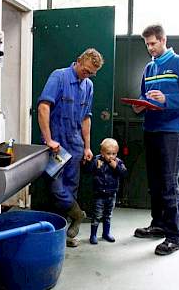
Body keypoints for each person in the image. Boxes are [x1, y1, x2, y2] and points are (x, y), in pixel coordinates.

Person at [37, 48, 104, 247]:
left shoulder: (88, 86)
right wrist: (48, 139)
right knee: (56, 188)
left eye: (92, 73)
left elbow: (86, 118)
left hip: (75, 145)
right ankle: (77, 215)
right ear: (78, 61)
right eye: (86, 71)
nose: (88, 75)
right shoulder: (59, 77)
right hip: (56, 145)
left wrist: (87, 147)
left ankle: (66, 236)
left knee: (71, 187)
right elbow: (43, 107)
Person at [132, 24, 179, 255]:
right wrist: (139, 105)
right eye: (147, 45)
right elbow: (145, 95)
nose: (150, 48)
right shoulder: (149, 68)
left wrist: (166, 98)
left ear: (163, 40)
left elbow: (172, 97)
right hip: (151, 129)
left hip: (171, 132)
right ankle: (159, 225)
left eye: (153, 43)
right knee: (155, 184)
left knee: (168, 184)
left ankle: (174, 236)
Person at [85, 138, 127, 245]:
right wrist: (95, 166)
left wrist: (116, 167)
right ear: (102, 153)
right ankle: (93, 235)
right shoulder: (97, 161)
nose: (111, 156)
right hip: (99, 194)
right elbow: (88, 170)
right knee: (97, 215)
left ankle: (106, 233)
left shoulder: (117, 162)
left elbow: (123, 173)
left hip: (111, 194)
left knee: (108, 215)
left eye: (114, 153)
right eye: (108, 153)